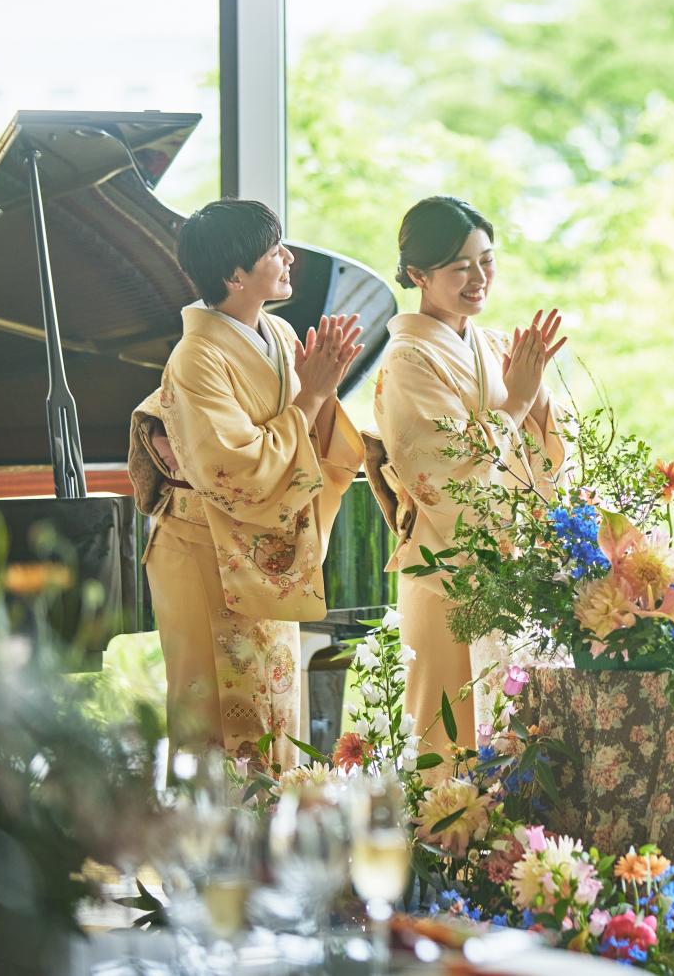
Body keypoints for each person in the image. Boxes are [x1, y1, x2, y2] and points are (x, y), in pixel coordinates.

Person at [129, 199, 364, 767]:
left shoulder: (278, 334)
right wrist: (311, 396)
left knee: (271, 711)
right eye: (272, 251)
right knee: (215, 717)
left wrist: (324, 391)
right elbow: (234, 470)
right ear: (234, 276)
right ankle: (217, 853)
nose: (288, 258)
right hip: (204, 553)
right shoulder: (196, 358)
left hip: (258, 554)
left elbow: (313, 435)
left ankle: (276, 845)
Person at [368, 196, 567, 761]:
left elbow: (538, 443)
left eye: (487, 261)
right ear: (417, 275)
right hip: (444, 569)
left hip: (503, 571)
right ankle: (441, 846)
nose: (479, 279)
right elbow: (444, 469)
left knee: (507, 727)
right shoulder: (408, 361)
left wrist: (537, 398)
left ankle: (508, 853)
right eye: (460, 267)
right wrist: (519, 398)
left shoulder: (488, 344)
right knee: (445, 729)